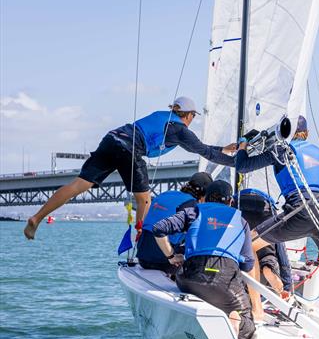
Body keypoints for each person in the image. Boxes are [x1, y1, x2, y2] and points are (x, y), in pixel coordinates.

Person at [24, 97, 237, 240]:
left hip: (112, 138)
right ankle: (141, 241)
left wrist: (223, 149)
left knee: (79, 184)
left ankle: (37, 217)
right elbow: (204, 151)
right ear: (189, 115)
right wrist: (237, 162)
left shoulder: (160, 116)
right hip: (129, 147)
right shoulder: (179, 129)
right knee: (144, 199)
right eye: (193, 117)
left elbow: (205, 148)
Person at [235, 116, 319, 328]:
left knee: (249, 245)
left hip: (301, 209)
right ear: (307, 133)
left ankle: (257, 308)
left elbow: (243, 166)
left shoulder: (282, 150)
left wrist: (243, 145)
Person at [151, 180, 257, 339]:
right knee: (248, 325)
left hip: (190, 276)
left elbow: (159, 228)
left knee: (190, 282)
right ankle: (238, 322)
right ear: (231, 202)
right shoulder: (241, 221)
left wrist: (171, 256)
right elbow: (248, 263)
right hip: (225, 280)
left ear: (205, 199)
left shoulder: (193, 211)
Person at [136, 172, 213, 274]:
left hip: (143, 258)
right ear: (204, 194)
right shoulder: (193, 206)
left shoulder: (164, 194)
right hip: (165, 262)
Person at [236, 188, 292, 295]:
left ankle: (252, 291)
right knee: (267, 251)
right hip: (266, 208)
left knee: (246, 250)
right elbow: (281, 250)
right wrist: (287, 284)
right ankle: (268, 267)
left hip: (240, 203)